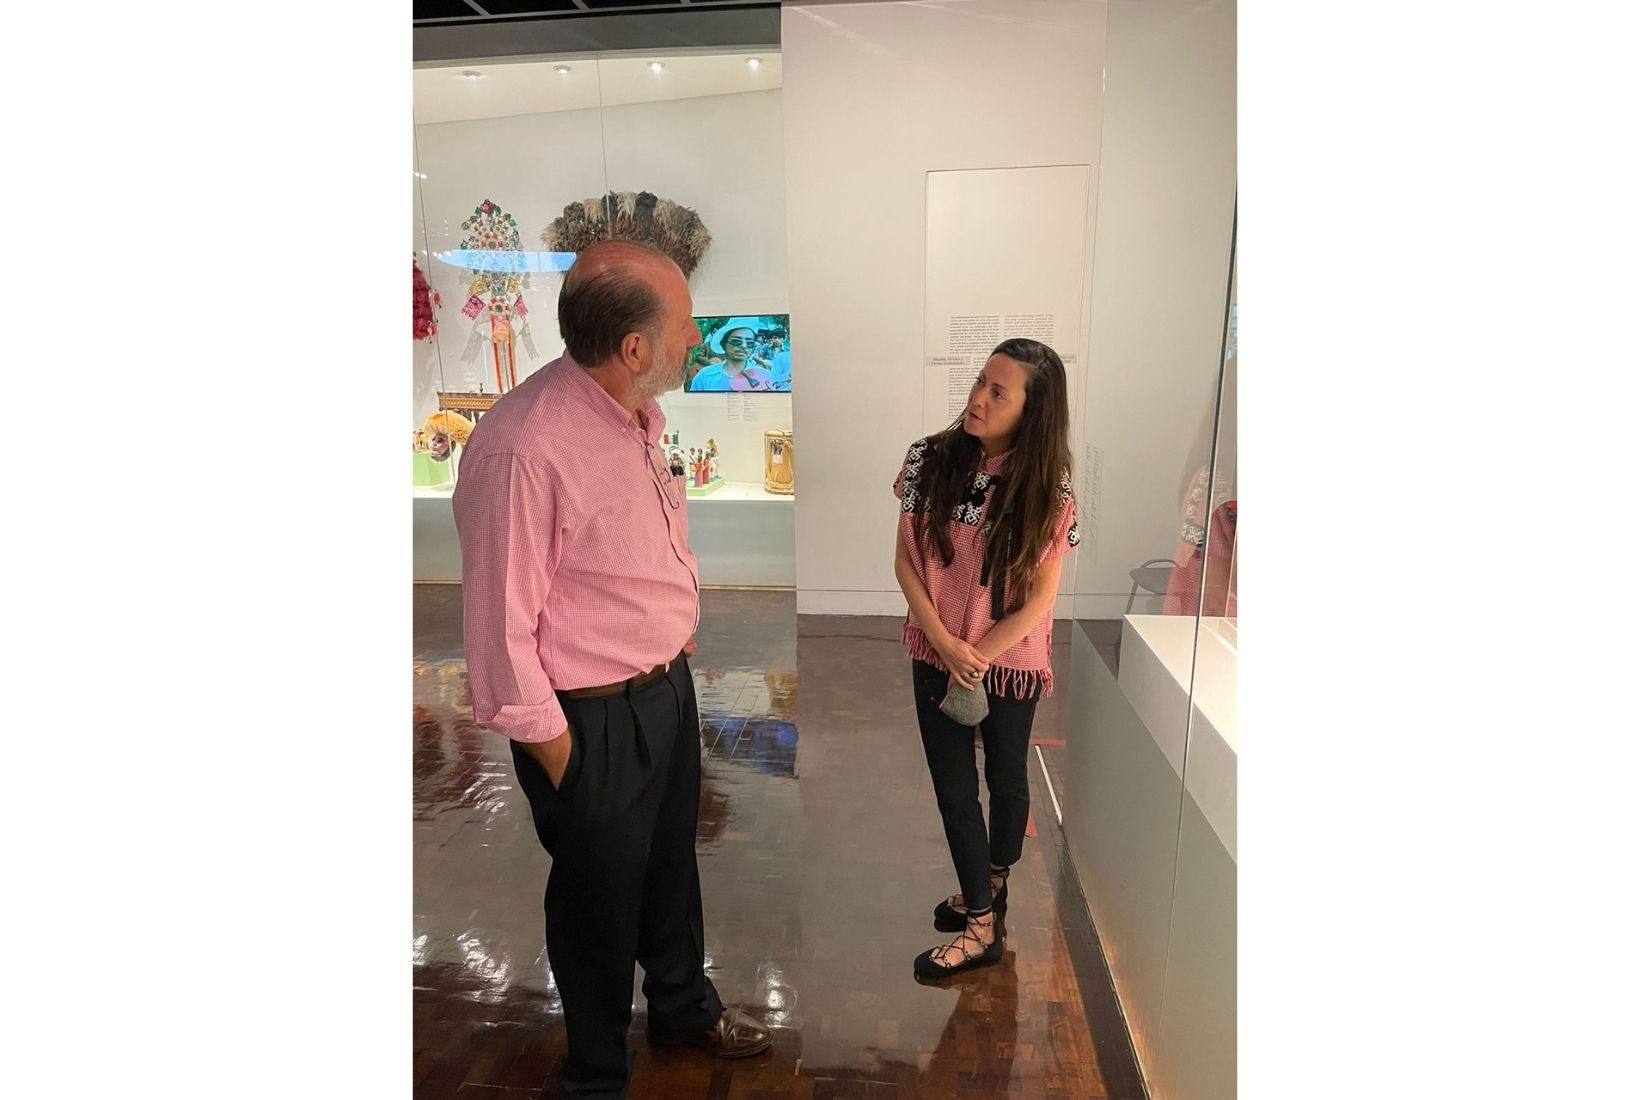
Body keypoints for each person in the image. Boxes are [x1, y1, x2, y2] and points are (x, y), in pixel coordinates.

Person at [452, 240, 772, 1099]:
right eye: (685, 323)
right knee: (597, 903)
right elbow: (497, 637)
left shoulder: (634, 416)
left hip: (663, 692)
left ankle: (682, 1006)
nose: (697, 336)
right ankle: (596, 1072)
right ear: (634, 348)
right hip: (589, 718)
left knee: (669, 869)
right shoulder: (524, 447)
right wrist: (569, 763)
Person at [891, 337, 1080, 980]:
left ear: (1032, 410)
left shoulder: (1048, 488)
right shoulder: (929, 459)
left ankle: (992, 880)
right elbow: (905, 562)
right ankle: (980, 925)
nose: (978, 398)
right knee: (954, 789)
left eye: (999, 392)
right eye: (980, 382)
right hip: (935, 647)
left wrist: (975, 656)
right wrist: (946, 645)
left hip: (1011, 659)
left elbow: (1041, 598)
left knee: (1006, 778)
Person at [688, 324, 777, 391]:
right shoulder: (705, 375)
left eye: (749, 343)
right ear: (724, 344)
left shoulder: (764, 376)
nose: (743, 346)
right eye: (736, 341)